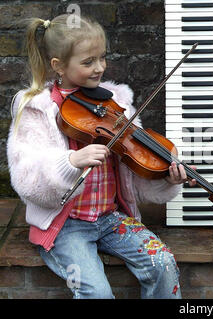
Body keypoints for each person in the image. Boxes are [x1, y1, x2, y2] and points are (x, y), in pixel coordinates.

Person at [7, 14, 196, 299]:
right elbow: (26, 178)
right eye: (87, 62)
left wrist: (165, 177)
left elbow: (138, 170)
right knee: (96, 292)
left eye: (102, 58)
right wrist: (69, 162)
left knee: (163, 263)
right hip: (66, 224)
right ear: (58, 65)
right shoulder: (37, 110)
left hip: (111, 217)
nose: (99, 68)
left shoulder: (114, 105)